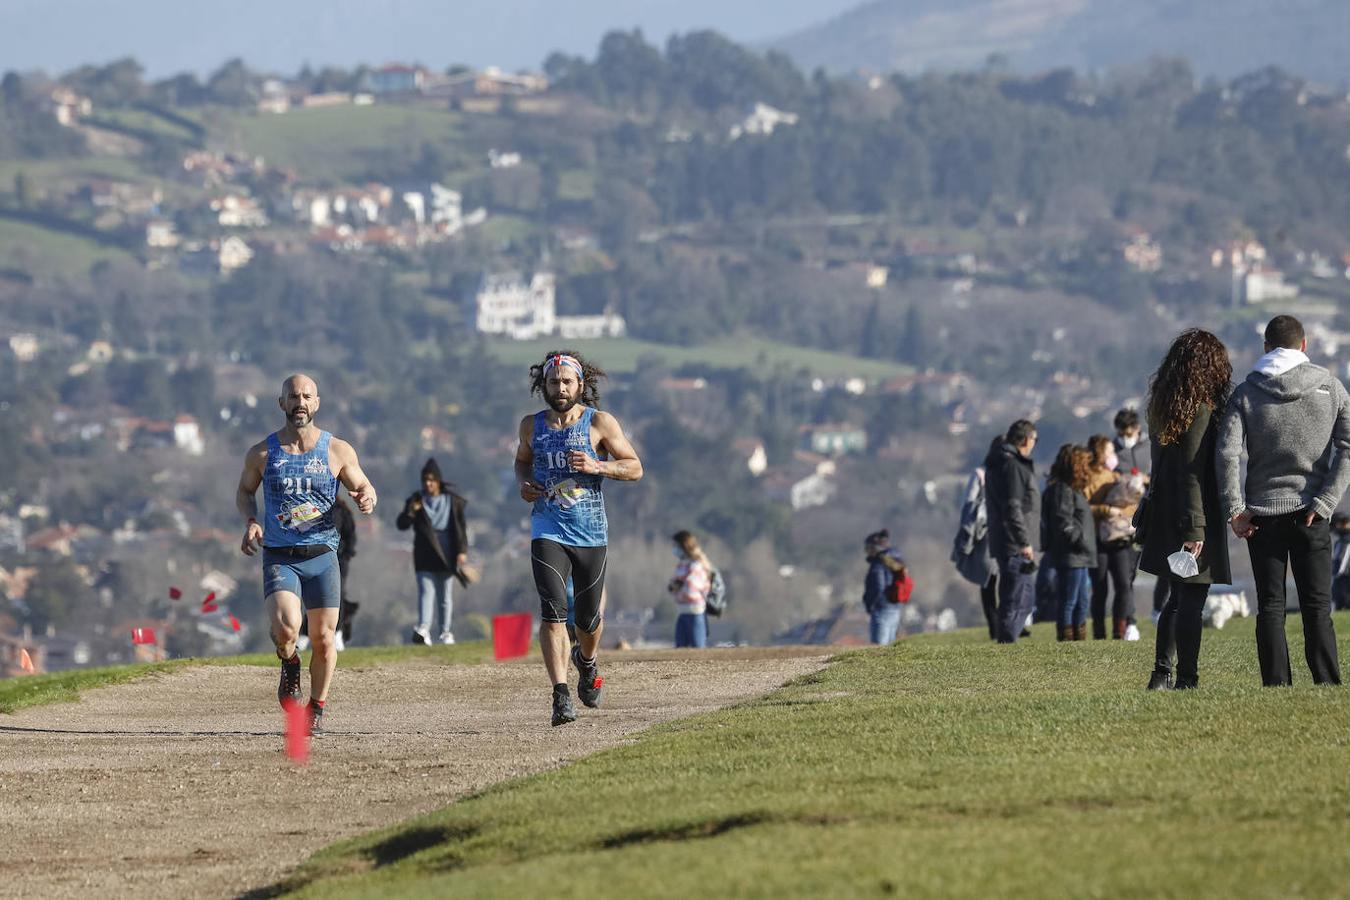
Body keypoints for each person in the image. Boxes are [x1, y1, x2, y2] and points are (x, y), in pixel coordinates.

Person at [235, 374, 377, 734]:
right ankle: (290, 662)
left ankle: (315, 708)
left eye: (306, 396)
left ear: (317, 403)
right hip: (281, 555)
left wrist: (366, 497)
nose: (300, 402)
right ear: (281, 403)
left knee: (325, 639)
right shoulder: (263, 453)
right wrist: (251, 520)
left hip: (323, 555)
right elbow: (245, 491)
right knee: (285, 630)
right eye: (293, 396)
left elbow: (363, 484)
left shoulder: (337, 450)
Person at [1218, 314, 1348, 687]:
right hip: (1312, 513)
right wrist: (1326, 500)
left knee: (1271, 607)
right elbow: (1348, 447)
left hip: (1263, 515)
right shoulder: (1330, 386)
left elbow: (1227, 455)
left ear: (1265, 348)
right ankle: (1327, 682)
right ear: (1304, 345)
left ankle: (1276, 685)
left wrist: (1235, 509)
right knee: (1317, 608)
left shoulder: (1246, 393)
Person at [514, 352, 643, 726]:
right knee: (552, 610)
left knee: (588, 620)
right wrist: (523, 483)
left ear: (580, 385)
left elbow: (635, 467)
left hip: (590, 533)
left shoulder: (599, 423)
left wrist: (598, 465)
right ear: (545, 386)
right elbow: (522, 461)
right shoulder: (530, 426)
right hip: (547, 529)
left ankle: (586, 662)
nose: (560, 389)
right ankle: (560, 695)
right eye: (554, 383)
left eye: (567, 382)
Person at [1139, 330, 1232, 690]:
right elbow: (1192, 473)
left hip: (1165, 509)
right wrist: (1195, 529)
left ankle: (1161, 673)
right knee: (1191, 599)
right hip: (1192, 514)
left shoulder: (1163, 406)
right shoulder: (1201, 411)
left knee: (1176, 599)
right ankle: (1187, 679)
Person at [396, 458, 468, 645]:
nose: (428, 484)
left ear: (438, 481)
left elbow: (460, 528)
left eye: (431, 480)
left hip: (447, 554)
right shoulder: (416, 500)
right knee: (425, 593)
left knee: (445, 596)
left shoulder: (452, 501)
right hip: (424, 554)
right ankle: (423, 629)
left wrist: (461, 551)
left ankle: (445, 632)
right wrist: (412, 511)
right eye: (425, 480)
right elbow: (401, 524)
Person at [986, 419, 1041, 643]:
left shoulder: (999, 462)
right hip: (1015, 543)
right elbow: (1013, 507)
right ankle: (1007, 642)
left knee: (1021, 597)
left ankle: (1007, 639)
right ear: (1026, 439)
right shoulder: (1012, 467)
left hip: (1007, 541)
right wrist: (1024, 542)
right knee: (1016, 598)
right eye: (1034, 440)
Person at [1114, 408, 1168, 624]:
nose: (1124, 439)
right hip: (1125, 516)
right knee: (1127, 572)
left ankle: (1158, 609)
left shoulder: (1151, 447)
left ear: (1136, 429)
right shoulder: (1114, 452)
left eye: (1128, 434)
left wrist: (1147, 480)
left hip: (1152, 513)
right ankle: (1130, 620)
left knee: (1164, 566)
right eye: (1121, 434)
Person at [1087, 433, 1141, 641]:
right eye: (1110, 451)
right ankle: (1099, 633)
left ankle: (1120, 630)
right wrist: (1106, 510)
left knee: (1123, 585)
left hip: (1119, 538)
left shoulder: (1116, 477)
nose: (1113, 456)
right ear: (1100, 454)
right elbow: (1084, 508)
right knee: (1100, 588)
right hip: (1097, 539)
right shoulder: (1088, 478)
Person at [1042, 444, 1095, 641]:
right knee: (1069, 601)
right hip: (1071, 555)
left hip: (1079, 556)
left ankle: (1078, 641)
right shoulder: (1062, 490)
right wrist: (1080, 541)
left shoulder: (1072, 490)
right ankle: (1066, 641)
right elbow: (1063, 522)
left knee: (1081, 601)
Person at [952, 437, 1001, 640]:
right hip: (985, 533)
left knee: (1001, 581)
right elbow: (969, 504)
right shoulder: (979, 475)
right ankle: (995, 627)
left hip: (999, 531)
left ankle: (1004, 624)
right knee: (988, 581)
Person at [297, 496, 357, 652]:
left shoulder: (342, 510)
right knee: (314, 597)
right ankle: (304, 634)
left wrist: (345, 556)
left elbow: (350, 535)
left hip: (338, 560)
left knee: (338, 596)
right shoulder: (309, 507)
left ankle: (337, 633)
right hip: (315, 559)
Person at [668, 530, 712, 648]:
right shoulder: (682, 564)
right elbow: (674, 585)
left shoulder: (697, 564)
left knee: (697, 650)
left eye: (676, 546)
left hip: (695, 612)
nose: (674, 549)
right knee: (680, 649)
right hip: (682, 611)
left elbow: (691, 588)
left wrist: (679, 585)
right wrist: (677, 585)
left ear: (684, 546)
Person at [863, 529, 907, 644]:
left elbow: (878, 587)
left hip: (881, 608)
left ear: (875, 548)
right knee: (890, 645)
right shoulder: (895, 560)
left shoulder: (878, 564)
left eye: (868, 547)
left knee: (878, 648)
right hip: (895, 607)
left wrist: (869, 604)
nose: (866, 551)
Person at [1332, 513, 1350, 611]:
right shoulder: (1340, 540)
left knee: (1344, 599)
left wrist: (1336, 573)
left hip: (1345, 576)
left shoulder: (1347, 540)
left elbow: (1343, 559)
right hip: (1341, 576)